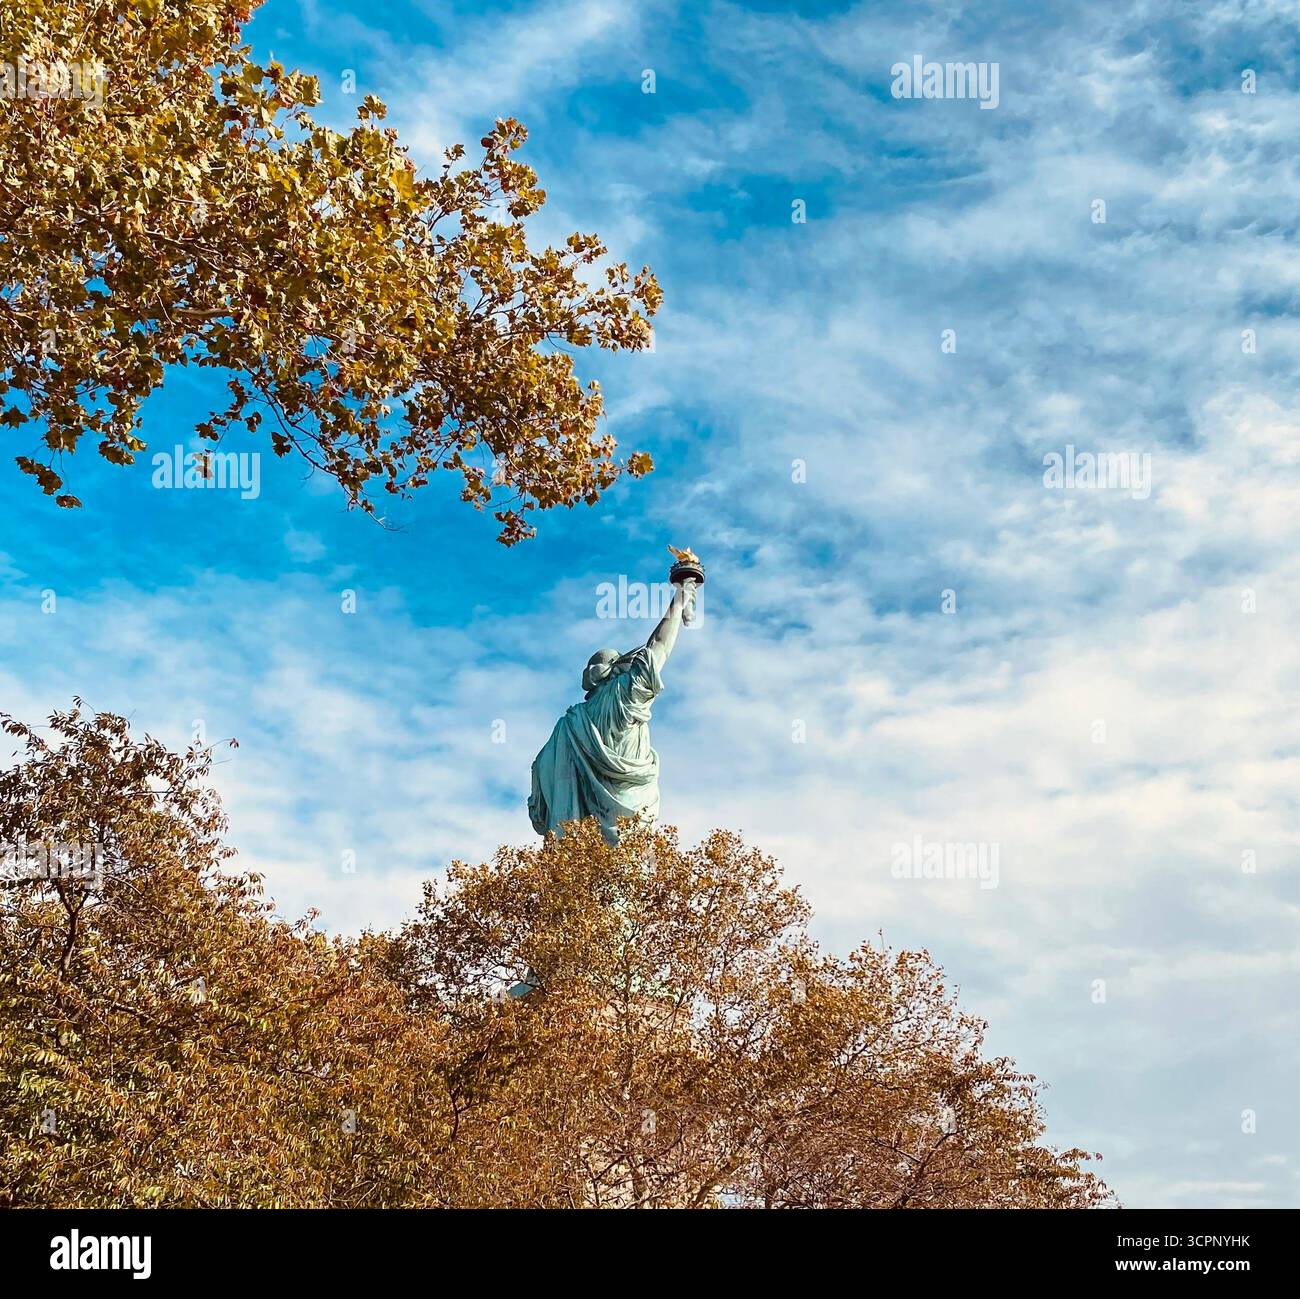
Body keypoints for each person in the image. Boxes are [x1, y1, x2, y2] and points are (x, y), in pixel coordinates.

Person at [528, 577, 697, 843]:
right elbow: (658, 648)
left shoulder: (569, 724)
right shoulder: (625, 694)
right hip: (630, 825)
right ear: (615, 671)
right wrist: (679, 600)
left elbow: (540, 780)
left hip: (574, 857)